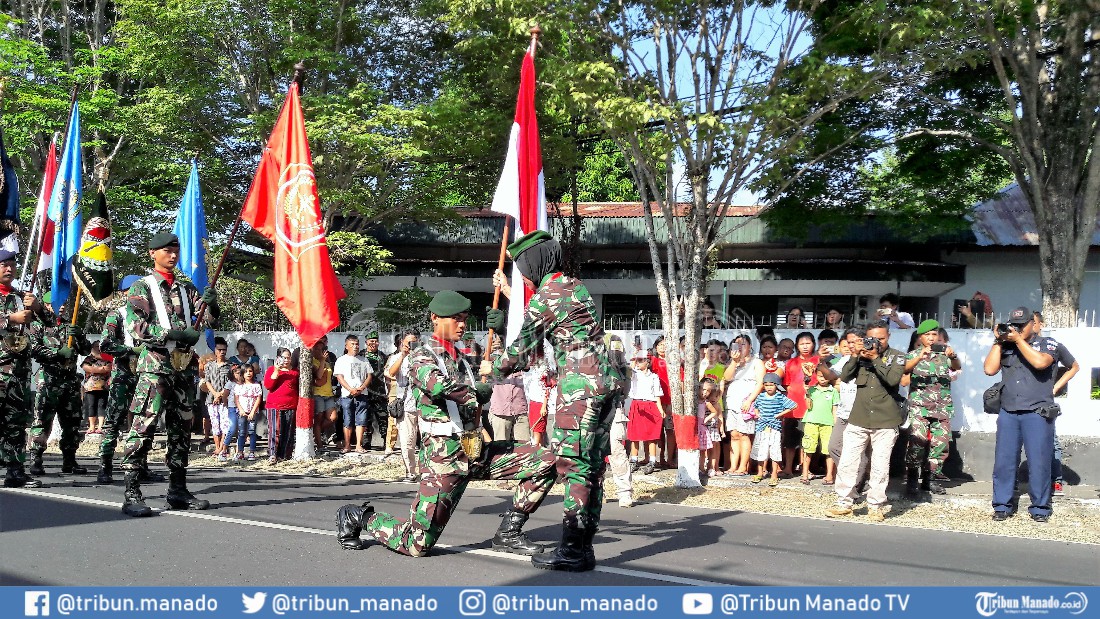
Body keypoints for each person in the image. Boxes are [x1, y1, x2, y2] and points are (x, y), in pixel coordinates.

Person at [338, 290, 556, 558]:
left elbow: (511, 363)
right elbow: (438, 385)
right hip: (444, 459)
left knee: (546, 461)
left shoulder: (464, 357)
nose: (462, 324)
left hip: (475, 452)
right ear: (434, 318)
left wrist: (501, 332)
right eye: (455, 318)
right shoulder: (421, 356)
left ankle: (508, 533)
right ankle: (358, 516)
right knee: (417, 544)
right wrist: (475, 393)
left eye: (464, 318)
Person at [484, 230, 624, 572]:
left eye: (523, 268)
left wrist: (492, 369)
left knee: (573, 467)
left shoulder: (546, 296)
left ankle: (572, 551)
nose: (523, 275)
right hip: (605, 383)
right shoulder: (574, 286)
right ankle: (583, 549)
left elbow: (523, 351)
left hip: (579, 389)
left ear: (534, 263)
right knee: (592, 467)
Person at [118, 232, 218, 516]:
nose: (173, 255)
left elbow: (207, 319)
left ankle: (177, 490)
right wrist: (174, 334)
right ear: (153, 253)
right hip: (156, 368)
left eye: (176, 250)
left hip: (183, 369)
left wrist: (212, 303)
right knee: (144, 427)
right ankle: (132, 493)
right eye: (166, 251)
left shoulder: (186, 289)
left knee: (181, 430)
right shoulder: (142, 287)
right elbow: (136, 327)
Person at [984, 306, 1058, 523]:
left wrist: (1018, 341)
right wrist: (998, 341)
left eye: (1021, 325)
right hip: (1009, 411)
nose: (1016, 329)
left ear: (1032, 325)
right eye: (1013, 325)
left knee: (1039, 462)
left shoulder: (1047, 343)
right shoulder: (1005, 345)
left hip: (1037, 412)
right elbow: (989, 369)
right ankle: (1002, 505)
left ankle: (1040, 508)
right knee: (1004, 462)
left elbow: (1040, 362)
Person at [825, 323, 905, 522]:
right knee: (847, 462)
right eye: (872, 339)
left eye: (881, 338)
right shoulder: (859, 356)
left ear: (888, 336)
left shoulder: (897, 356)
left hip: (885, 420)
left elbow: (893, 380)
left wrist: (875, 358)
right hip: (858, 418)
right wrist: (854, 355)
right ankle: (844, 503)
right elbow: (845, 376)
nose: (876, 342)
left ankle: (875, 506)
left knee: (880, 465)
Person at [0, 249, 47, 488]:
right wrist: (10, 319)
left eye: (12, 264)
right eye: (4, 264)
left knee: (16, 423)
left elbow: (50, 323)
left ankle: (15, 470)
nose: (9, 269)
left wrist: (37, 307)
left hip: (18, 371)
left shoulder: (21, 297)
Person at [28, 306, 92, 476]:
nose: (62, 306)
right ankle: (36, 458)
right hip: (49, 381)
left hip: (70, 381)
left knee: (72, 422)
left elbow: (86, 350)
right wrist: (57, 353)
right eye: (57, 302)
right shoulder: (39, 325)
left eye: (64, 303)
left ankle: (69, 459)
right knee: (42, 420)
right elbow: (33, 349)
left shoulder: (69, 325)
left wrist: (79, 336)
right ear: (47, 305)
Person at [902, 319, 961, 497]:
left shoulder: (944, 354)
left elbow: (957, 367)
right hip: (919, 407)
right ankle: (912, 479)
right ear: (920, 337)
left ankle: (931, 479)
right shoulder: (912, 355)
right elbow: (904, 374)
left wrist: (953, 356)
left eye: (934, 334)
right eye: (927, 334)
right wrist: (920, 357)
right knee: (917, 442)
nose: (931, 338)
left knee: (940, 445)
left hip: (942, 407)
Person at [1032, 312, 1079, 497]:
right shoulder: (1019, 345)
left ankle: (1056, 481)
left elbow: (1074, 366)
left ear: (1040, 324)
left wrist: (1056, 387)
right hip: (1020, 401)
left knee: (1051, 442)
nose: (1029, 326)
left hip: (1044, 403)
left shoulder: (1051, 345)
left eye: (1033, 322)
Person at [826, 328, 869, 489]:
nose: (851, 345)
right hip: (844, 413)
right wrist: (822, 361)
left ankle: (856, 484)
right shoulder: (844, 360)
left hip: (861, 413)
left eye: (854, 342)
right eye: (848, 342)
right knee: (834, 447)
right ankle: (854, 476)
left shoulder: (870, 359)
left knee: (859, 451)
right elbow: (830, 375)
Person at [385, 328, 422, 482]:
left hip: (424, 405)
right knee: (407, 442)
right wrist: (403, 355)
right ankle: (410, 472)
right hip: (406, 405)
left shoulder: (425, 356)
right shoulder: (397, 357)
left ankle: (427, 471)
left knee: (428, 440)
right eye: (408, 342)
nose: (411, 345)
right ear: (402, 342)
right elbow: (390, 373)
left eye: (414, 342)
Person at [722, 333, 762, 476]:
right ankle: (733, 466)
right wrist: (734, 362)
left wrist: (750, 400)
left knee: (744, 434)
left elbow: (760, 383)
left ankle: (743, 466)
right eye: (737, 344)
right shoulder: (732, 363)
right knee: (734, 434)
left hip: (746, 403)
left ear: (750, 346)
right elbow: (726, 378)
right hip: (732, 402)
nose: (740, 347)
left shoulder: (757, 362)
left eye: (743, 344)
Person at [781, 331, 818, 478]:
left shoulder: (818, 361)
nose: (805, 346)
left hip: (811, 407)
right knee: (790, 441)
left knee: (807, 441)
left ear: (813, 344)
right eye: (802, 344)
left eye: (808, 343)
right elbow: (787, 384)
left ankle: (805, 469)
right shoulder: (791, 362)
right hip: (793, 407)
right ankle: (788, 468)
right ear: (797, 346)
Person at [750, 373, 796, 486]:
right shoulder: (760, 396)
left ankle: (774, 474)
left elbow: (794, 405)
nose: (769, 387)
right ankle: (760, 472)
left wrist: (780, 415)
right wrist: (757, 414)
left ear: (776, 385)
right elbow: (755, 406)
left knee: (775, 450)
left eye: (771, 385)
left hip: (774, 427)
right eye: (766, 385)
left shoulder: (780, 397)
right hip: (761, 427)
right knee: (761, 450)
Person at [625, 350, 665, 475]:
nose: (638, 363)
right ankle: (634, 459)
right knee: (634, 434)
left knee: (651, 435)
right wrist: (634, 358)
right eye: (637, 360)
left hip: (650, 405)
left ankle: (652, 460)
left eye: (641, 360)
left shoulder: (654, 377)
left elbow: (657, 394)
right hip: (637, 404)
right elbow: (628, 372)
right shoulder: (635, 374)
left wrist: (660, 410)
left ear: (648, 362)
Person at [486, 335, 530, 443]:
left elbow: (527, 365)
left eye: (502, 340)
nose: (500, 343)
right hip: (500, 411)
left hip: (519, 410)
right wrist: (489, 351)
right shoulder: (491, 359)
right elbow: (483, 366)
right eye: (498, 340)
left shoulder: (517, 358)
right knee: (501, 447)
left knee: (524, 446)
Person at [334, 335, 372, 454]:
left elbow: (369, 376)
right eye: (352, 344)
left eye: (357, 344)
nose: (355, 347)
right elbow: (339, 377)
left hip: (362, 393)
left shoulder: (364, 360)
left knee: (361, 420)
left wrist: (362, 387)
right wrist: (350, 389)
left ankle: (359, 445)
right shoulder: (341, 360)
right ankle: (347, 445)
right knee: (347, 419)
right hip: (347, 395)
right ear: (346, 346)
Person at [802, 364, 838, 485]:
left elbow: (834, 410)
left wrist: (835, 424)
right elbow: (808, 406)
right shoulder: (812, 389)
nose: (822, 379)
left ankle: (829, 475)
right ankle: (805, 474)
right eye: (819, 376)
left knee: (828, 449)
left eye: (825, 376)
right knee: (808, 447)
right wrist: (807, 392)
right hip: (811, 421)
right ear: (816, 376)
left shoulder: (833, 391)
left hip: (827, 423)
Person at [200, 337, 233, 461]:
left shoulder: (230, 366)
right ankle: (217, 446)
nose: (222, 352)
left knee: (225, 423)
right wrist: (215, 394)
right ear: (215, 350)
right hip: (211, 399)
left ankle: (223, 448)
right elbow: (207, 381)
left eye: (224, 349)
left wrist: (221, 395)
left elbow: (231, 382)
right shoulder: (209, 365)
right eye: (219, 350)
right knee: (215, 423)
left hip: (225, 400)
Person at [264, 347, 299, 463]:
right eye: (284, 358)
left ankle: (284, 455)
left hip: (291, 404)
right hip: (275, 405)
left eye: (288, 357)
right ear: (278, 358)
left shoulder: (295, 372)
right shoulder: (271, 370)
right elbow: (268, 385)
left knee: (288, 431)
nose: (286, 360)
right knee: (275, 430)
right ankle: (272, 454)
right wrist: (276, 371)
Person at [649, 336, 675, 468]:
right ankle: (660, 458)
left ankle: (670, 459)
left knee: (670, 431)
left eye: (665, 344)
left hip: (670, 402)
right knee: (657, 432)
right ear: (656, 347)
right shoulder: (653, 361)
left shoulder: (674, 363)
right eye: (660, 345)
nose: (662, 347)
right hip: (656, 402)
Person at [310, 335, 339, 451]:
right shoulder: (312, 361)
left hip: (328, 394)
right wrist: (322, 361)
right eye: (316, 349)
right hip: (317, 394)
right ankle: (319, 444)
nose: (319, 351)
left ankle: (314, 433)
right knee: (318, 418)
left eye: (321, 349)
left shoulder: (327, 362)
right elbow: (319, 375)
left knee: (333, 417)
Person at [361, 331, 389, 451]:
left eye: (376, 341)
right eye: (371, 341)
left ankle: (386, 441)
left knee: (383, 417)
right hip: (364, 392)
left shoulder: (382, 356)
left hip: (379, 392)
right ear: (366, 342)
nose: (374, 343)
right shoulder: (361, 355)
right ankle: (366, 441)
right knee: (365, 417)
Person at [233, 365, 262, 459]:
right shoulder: (239, 386)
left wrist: (253, 411)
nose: (248, 373)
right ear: (242, 374)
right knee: (242, 432)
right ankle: (240, 452)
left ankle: (252, 452)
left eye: (250, 371)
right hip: (242, 412)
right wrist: (241, 410)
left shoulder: (256, 385)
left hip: (253, 412)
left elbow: (258, 399)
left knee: (252, 432)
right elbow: (236, 399)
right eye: (246, 372)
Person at [698, 378, 722, 477]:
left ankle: (707, 467)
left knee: (705, 449)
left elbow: (715, 412)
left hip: (703, 427)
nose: (705, 392)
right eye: (703, 389)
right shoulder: (695, 401)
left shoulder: (706, 403)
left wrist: (706, 419)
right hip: (695, 427)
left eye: (708, 391)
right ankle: (700, 467)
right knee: (698, 450)